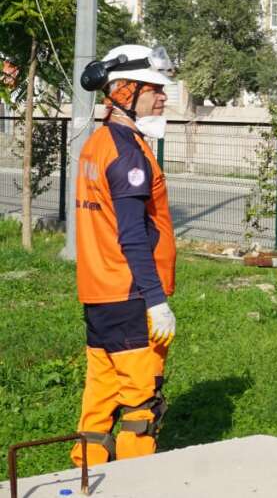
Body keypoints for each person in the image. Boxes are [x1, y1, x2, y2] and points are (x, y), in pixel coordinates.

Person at [71, 45, 179, 467]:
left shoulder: (98, 144)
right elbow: (133, 234)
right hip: (130, 294)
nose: (163, 97)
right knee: (139, 403)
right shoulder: (129, 153)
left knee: (100, 394)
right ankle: (136, 484)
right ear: (125, 91)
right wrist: (155, 300)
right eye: (155, 89)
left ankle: (85, 477)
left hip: (99, 292)